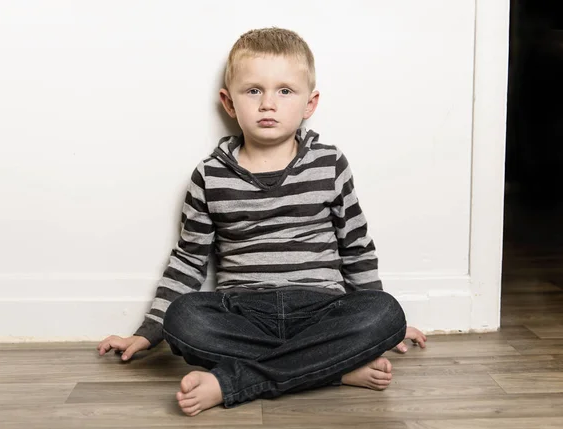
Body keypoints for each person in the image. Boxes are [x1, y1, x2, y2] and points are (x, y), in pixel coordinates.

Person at [97, 27, 427, 417]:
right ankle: (332, 369)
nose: (268, 103)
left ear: (310, 103)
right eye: (254, 90)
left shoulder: (329, 164)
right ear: (229, 102)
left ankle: (236, 382)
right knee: (183, 319)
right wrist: (148, 332)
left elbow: (356, 247)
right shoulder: (210, 176)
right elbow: (188, 259)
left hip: (322, 308)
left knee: (385, 312)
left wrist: (384, 328)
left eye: (285, 91)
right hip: (243, 311)